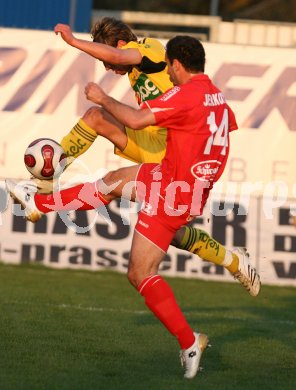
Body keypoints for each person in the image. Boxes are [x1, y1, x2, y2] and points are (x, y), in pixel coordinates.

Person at [6, 36, 261, 379]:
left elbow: (140, 120)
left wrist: (103, 98)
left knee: (140, 273)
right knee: (111, 183)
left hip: (172, 193)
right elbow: (225, 128)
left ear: (177, 64)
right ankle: (38, 204)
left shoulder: (185, 94)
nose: (168, 74)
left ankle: (190, 341)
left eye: (170, 67)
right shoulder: (215, 95)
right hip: (178, 180)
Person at [50, 18, 257, 294]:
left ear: (122, 44)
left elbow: (119, 56)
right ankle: (45, 182)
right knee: (95, 118)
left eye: (107, 60)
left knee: (165, 230)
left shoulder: (149, 49)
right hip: (152, 143)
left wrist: (74, 42)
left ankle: (231, 261)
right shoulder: (135, 67)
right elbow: (119, 60)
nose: (108, 67)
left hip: (169, 152)